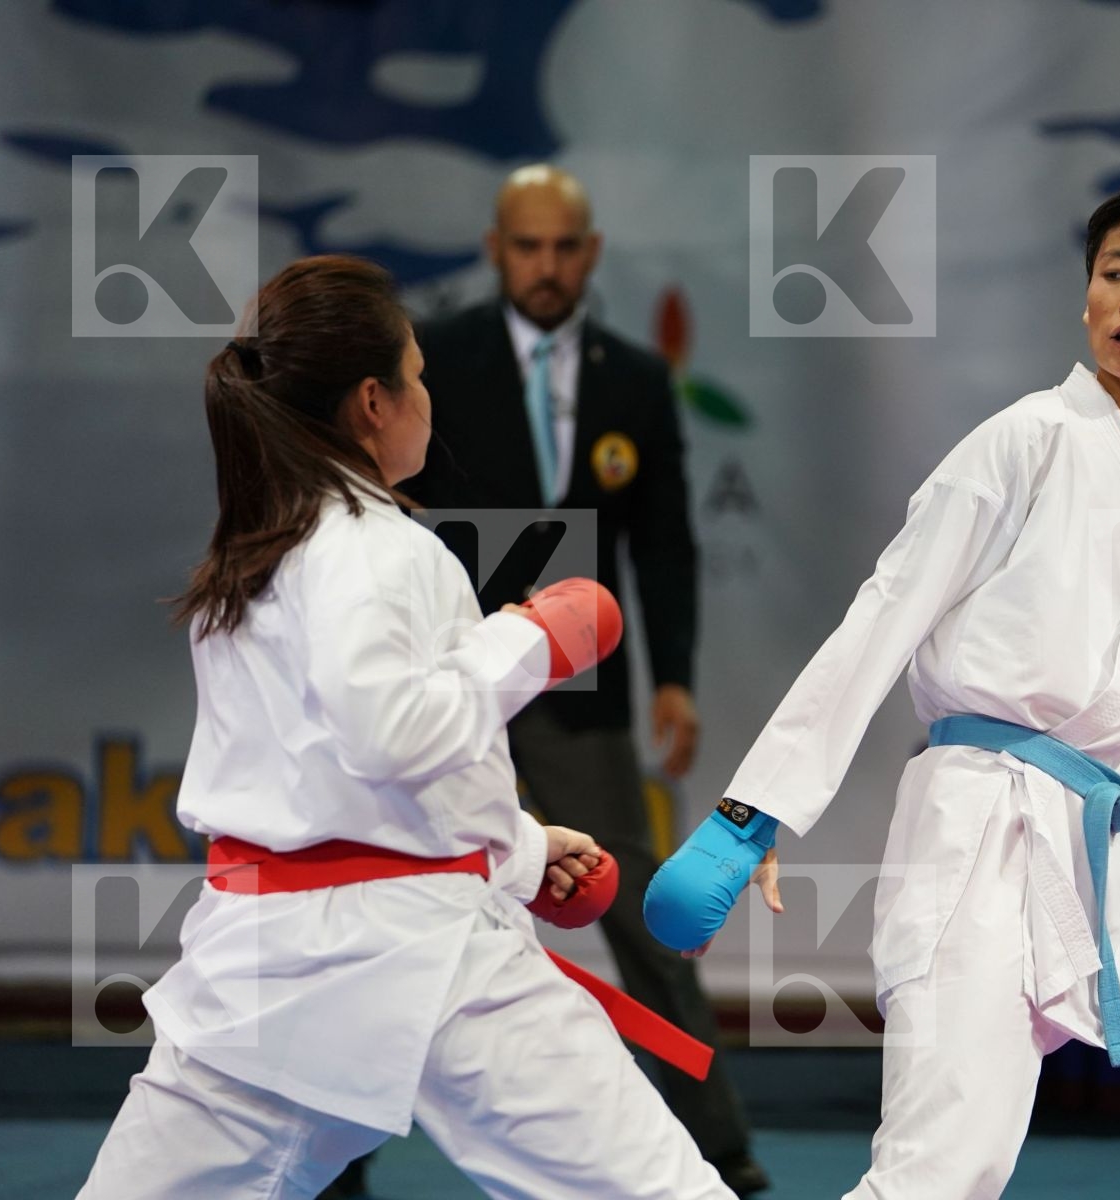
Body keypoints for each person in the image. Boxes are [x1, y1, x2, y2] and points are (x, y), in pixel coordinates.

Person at [646, 184, 1120, 1198]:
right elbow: (883, 617)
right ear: (1087, 299)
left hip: (1111, 856)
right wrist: (752, 814)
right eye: (1115, 275)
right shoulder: (1024, 441)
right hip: (980, 838)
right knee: (940, 1175)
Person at [77, 255, 735, 1200]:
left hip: (264, 965)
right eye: (418, 377)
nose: (431, 395)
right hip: (426, 957)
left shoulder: (253, 553)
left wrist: (517, 851)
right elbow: (391, 737)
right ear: (374, 403)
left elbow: (342, 791)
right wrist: (528, 641)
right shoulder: (380, 548)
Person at [402, 165, 767, 1195]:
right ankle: (331, 1170)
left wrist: (677, 681)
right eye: (528, 247)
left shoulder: (635, 379)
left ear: (591, 252)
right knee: (395, 907)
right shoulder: (437, 364)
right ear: (495, 247)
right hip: (445, 684)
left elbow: (664, 545)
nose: (547, 267)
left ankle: (721, 1152)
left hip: (581, 690)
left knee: (637, 908)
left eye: (565, 248)